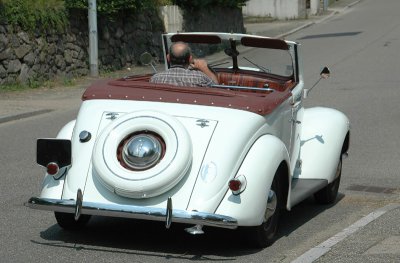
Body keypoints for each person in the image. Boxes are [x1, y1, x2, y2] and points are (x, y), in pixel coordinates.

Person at [150, 42, 218, 87]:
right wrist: (205, 68)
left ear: (168, 58)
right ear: (190, 59)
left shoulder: (155, 79)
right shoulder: (200, 77)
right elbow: (217, 87)